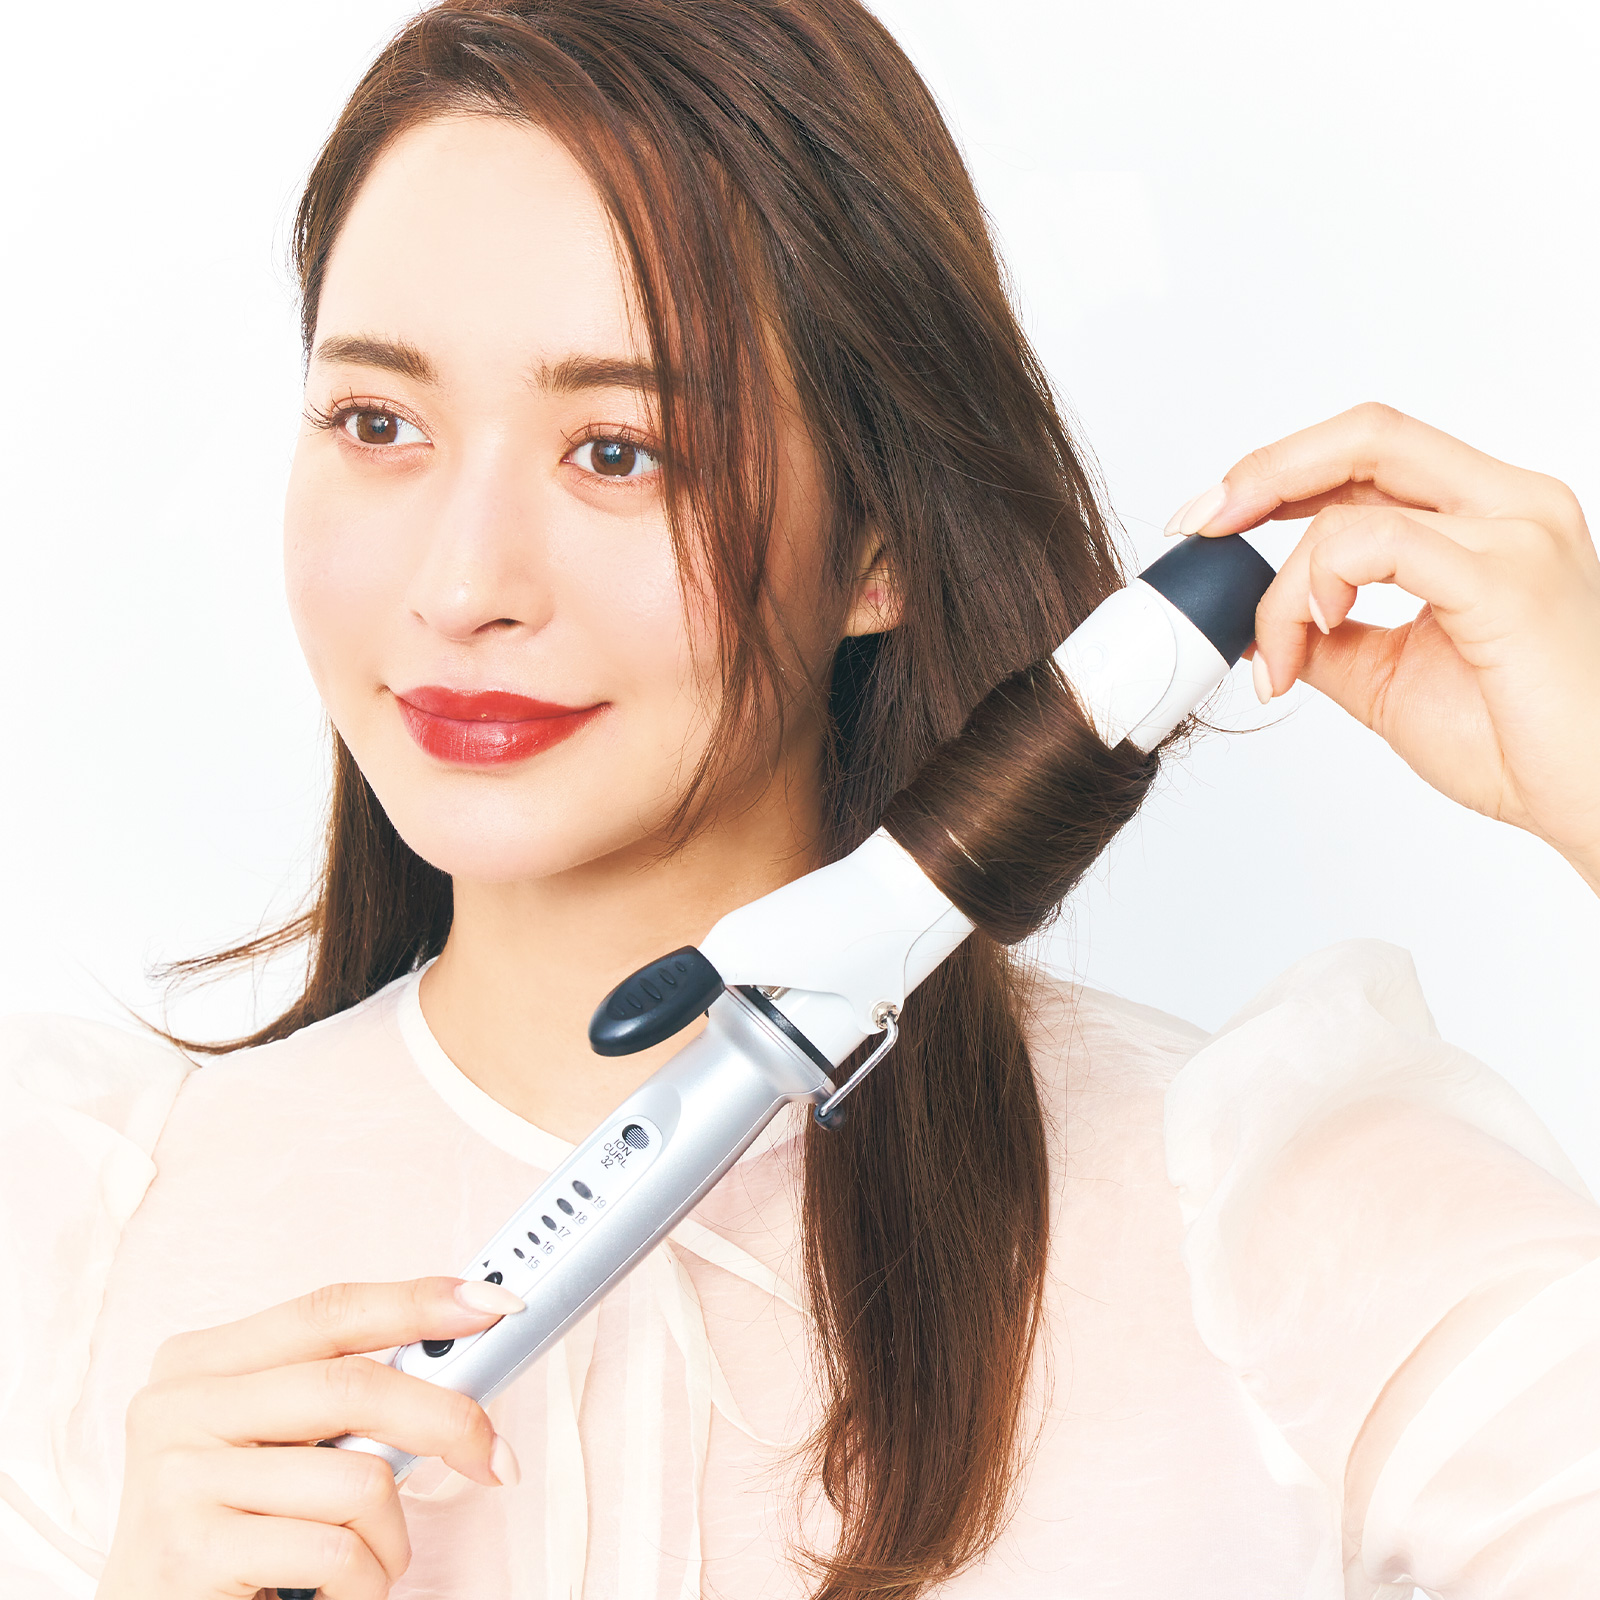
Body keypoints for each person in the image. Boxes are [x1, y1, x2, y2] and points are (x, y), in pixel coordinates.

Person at [6, 1, 1599, 1596]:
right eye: (379, 424)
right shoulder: (74, 1260)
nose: (463, 583)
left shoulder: (1265, 1229)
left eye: (619, 451)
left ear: (878, 542)